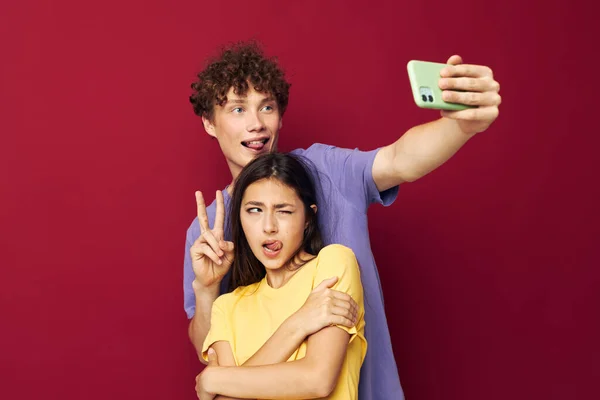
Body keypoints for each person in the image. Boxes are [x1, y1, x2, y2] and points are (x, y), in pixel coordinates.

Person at [184, 41, 501, 400]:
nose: (256, 124)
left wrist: (461, 125)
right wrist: (208, 290)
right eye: (238, 109)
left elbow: (400, 160)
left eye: (266, 107)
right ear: (209, 123)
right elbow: (208, 348)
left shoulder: (327, 171)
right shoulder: (205, 230)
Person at [194, 152, 366, 400]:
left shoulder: (333, 263)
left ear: (308, 217)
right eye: (254, 210)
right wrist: (298, 324)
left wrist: (214, 378)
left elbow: (317, 379)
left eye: (283, 211)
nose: (268, 227)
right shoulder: (227, 307)